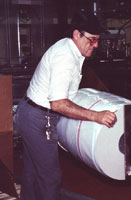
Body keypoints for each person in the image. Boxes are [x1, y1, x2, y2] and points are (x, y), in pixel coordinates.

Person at [15, 11, 117, 200]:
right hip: (37, 119)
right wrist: (96, 116)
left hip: (31, 114)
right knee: (50, 178)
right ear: (77, 34)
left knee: (32, 174)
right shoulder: (65, 58)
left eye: (97, 41)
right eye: (92, 40)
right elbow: (59, 104)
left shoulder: (72, 51)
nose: (95, 45)